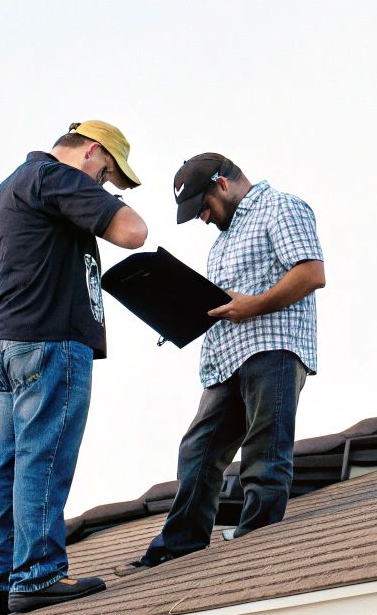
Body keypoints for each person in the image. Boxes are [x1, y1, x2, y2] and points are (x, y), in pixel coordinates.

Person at [0, 121, 149, 615]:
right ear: (92, 152)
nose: (103, 187)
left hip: (2, 343)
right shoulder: (57, 177)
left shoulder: (4, 189)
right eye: (107, 175)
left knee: (6, 462)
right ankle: (38, 574)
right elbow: (133, 232)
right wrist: (101, 201)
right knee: (43, 455)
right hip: (49, 341)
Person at [126, 153, 325, 571]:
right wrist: (178, 315)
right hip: (226, 359)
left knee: (264, 449)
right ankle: (180, 544)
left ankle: (257, 544)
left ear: (221, 183)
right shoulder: (222, 244)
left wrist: (253, 306)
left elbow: (310, 273)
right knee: (197, 448)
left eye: (202, 207)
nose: (201, 217)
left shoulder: (280, 207)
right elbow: (225, 304)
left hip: (273, 347)